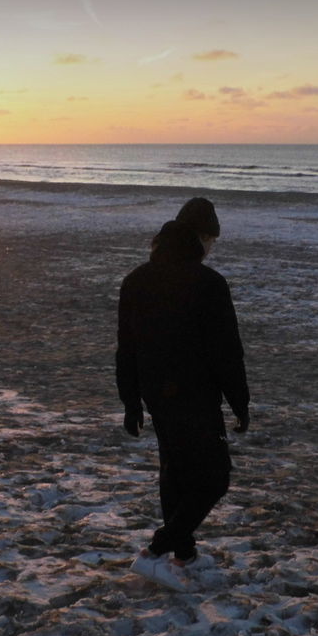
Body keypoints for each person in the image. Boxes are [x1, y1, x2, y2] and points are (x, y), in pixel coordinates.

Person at [116, 198, 249, 590]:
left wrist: (131, 401)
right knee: (214, 477)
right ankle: (154, 553)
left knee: (175, 472)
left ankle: (183, 554)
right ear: (198, 237)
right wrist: (240, 401)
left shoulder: (137, 279)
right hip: (194, 395)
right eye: (210, 238)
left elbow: (127, 347)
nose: (211, 247)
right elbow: (226, 350)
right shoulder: (208, 284)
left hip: (157, 393)